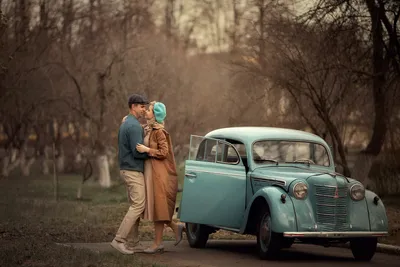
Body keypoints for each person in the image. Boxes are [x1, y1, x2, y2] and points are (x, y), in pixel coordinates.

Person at [136, 101, 185, 254]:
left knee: (158, 207)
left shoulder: (159, 132)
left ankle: (158, 243)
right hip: (152, 172)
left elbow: (164, 152)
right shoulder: (150, 129)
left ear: (156, 115)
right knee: (157, 207)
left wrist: (147, 149)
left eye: (149, 110)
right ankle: (175, 227)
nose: (146, 112)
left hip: (159, 175)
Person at [110, 94, 149, 255]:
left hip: (127, 169)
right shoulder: (133, 126)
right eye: (141, 106)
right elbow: (137, 152)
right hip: (133, 170)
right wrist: (152, 153)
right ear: (133, 106)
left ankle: (134, 242)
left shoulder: (129, 123)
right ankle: (119, 240)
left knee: (135, 205)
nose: (144, 109)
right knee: (138, 205)